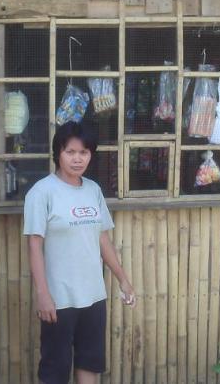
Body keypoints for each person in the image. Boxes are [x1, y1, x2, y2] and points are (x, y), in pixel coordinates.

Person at [23, 121, 136, 384]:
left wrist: (123, 279)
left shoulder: (93, 190)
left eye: (84, 152)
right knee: (55, 371)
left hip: (94, 296)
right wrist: (43, 294)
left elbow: (102, 239)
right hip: (59, 300)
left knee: (90, 363)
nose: (77, 159)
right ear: (58, 154)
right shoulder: (41, 193)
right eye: (70, 152)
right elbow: (34, 245)